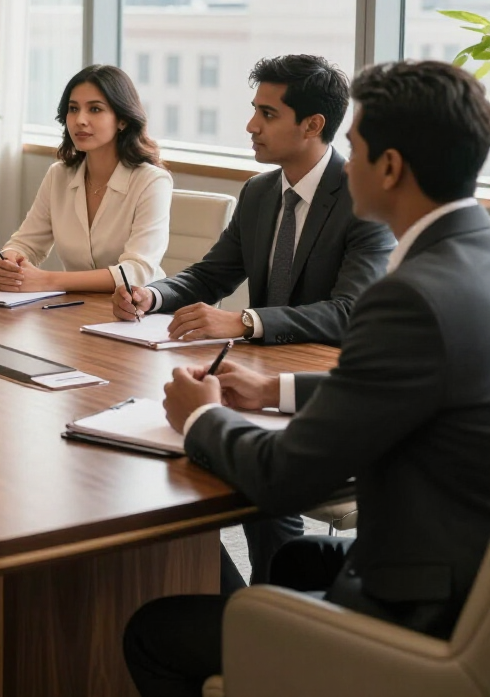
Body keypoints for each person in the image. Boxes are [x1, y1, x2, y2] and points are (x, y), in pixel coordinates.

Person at [123, 60, 490, 697]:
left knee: (152, 630)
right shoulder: (475, 254)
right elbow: (418, 383)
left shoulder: (406, 297)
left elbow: (289, 476)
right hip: (459, 562)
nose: (347, 157)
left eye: (356, 144)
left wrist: (203, 418)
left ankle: (271, 648)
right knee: (290, 561)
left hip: (420, 608)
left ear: (391, 167)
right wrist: (276, 391)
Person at [112, 54, 396, 590]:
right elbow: (209, 274)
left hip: (318, 386)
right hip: (253, 377)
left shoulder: (363, 198)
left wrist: (244, 321)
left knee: (244, 475)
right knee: (173, 462)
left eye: (267, 114)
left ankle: (274, 616)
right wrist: (152, 294)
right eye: (253, 111)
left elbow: (349, 310)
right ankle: (240, 606)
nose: (250, 126)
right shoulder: (260, 192)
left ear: (313, 125)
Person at [0, 64, 172, 294]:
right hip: (72, 309)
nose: (80, 120)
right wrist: (9, 261)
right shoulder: (58, 175)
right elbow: (26, 243)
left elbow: (136, 271)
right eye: (73, 109)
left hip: (136, 314)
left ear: (122, 120)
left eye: (95, 109)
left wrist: (47, 280)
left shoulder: (152, 181)